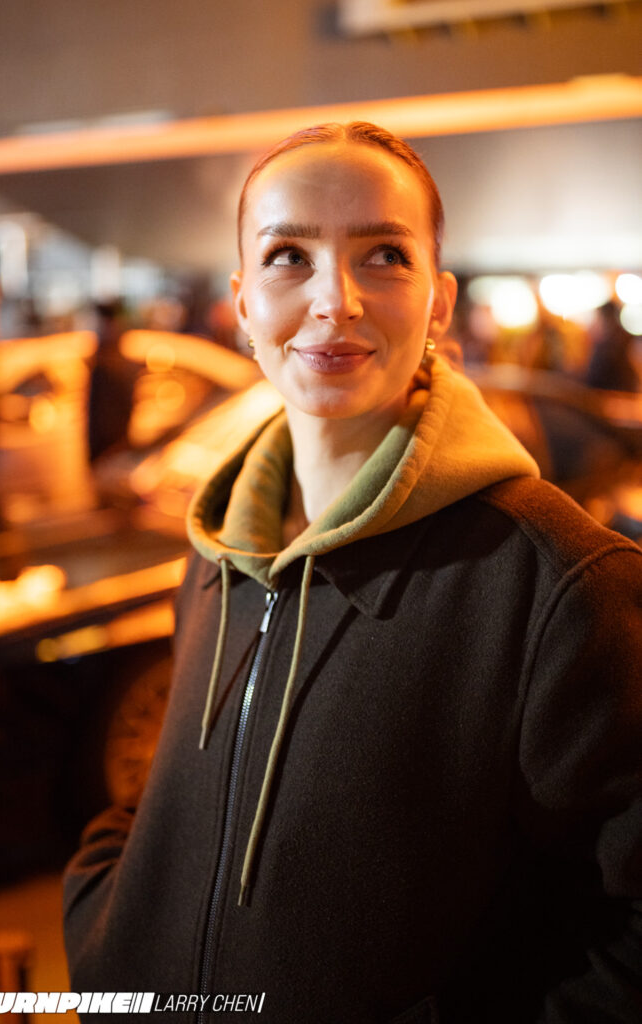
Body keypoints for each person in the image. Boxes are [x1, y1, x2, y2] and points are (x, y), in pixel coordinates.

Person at [63, 123, 642, 1023]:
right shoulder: (218, 555)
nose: (334, 300)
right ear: (242, 303)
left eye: (383, 255)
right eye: (288, 256)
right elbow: (171, 798)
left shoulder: (559, 582)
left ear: (438, 302)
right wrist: (108, 934)